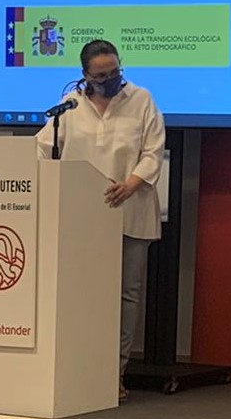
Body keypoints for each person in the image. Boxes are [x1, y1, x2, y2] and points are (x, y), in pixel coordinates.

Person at [33, 38, 165, 398]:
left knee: (125, 296)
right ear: (85, 75)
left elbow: (153, 151)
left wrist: (131, 183)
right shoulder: (70, 106)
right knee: (81, 295)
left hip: (131, 211)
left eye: (115, 72)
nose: (111, 80)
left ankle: (113, 373)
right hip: (81, 218)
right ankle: (79, 369)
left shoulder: (142, 100)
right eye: (102, 76)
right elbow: (42, 149)